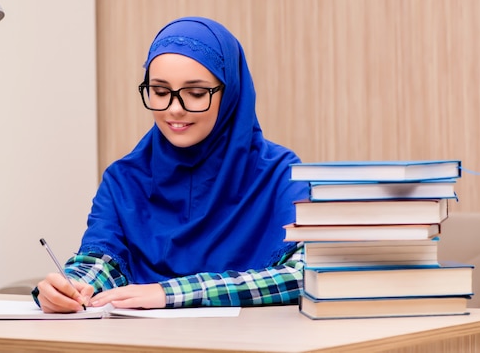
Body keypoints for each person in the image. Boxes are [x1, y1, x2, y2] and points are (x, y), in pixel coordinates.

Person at [33, 16, 308, 312]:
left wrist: (172, 293)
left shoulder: (281, 174)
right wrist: (71, 287)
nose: (174, 109)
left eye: (196, 93)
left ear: (230, 94)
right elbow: (102, 262)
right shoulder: (124, 179)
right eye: (161, 92)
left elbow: (304, 272)